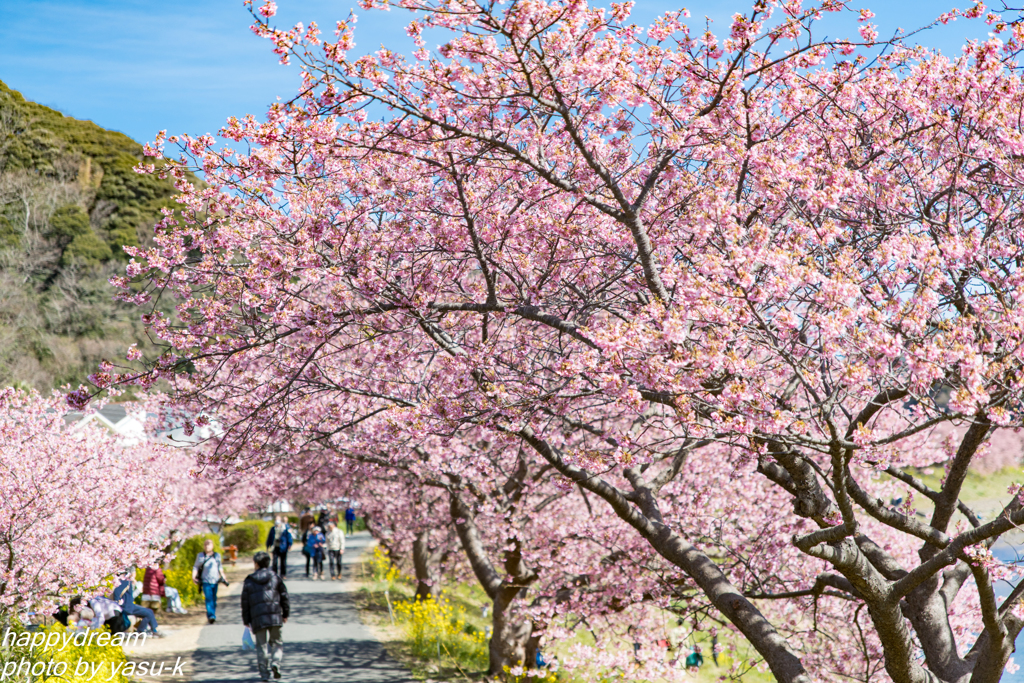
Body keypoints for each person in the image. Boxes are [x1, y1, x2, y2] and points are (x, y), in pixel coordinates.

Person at [242, 551, 290, 682]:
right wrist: (285, 614)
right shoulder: (275, 577)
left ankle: (264, 674)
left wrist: (246, 620)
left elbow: (245, 601)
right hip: (275, 616)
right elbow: (284, 596)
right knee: (277, 643)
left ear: (256, 564)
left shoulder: (249, 580)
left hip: (258, 618)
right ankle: (276, 662)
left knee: (261, 646)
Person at [113, 569, 163, 637]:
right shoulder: (125, 581)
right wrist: (117, 601)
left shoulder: (127, 581)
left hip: (129, 605)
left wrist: (137, 590)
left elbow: (130, 596)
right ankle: (144, 631)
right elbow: (117, 592)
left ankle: (149, 630)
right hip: (127, 607)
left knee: (149, 612)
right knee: (148, 613)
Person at [192, 539, 227, 624]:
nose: (207, 546)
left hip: (215, 581)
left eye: (209, 544)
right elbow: (196, 567)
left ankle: (213, 613)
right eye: (205, 544)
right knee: (208, 598)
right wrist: (193, 576)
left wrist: (224, 577)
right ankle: (211, 615)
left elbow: (220, 568)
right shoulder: (200, 556)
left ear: (212, 546)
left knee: (214, 599)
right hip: (205, 581)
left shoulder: (217, 556)